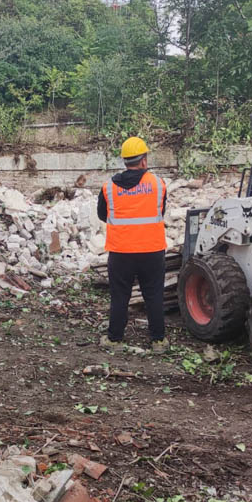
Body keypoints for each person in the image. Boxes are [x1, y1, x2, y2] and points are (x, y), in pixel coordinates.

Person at [98, 136, 168, 352]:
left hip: (121, 251)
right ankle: (158, 341)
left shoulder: (109, 187)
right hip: (152, 250)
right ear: (144, 160)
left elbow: (102, 215)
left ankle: (115, 340)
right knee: (154, 295)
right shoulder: (157, 184)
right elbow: (161, 211)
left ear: (124, 161)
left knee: (120, 295)